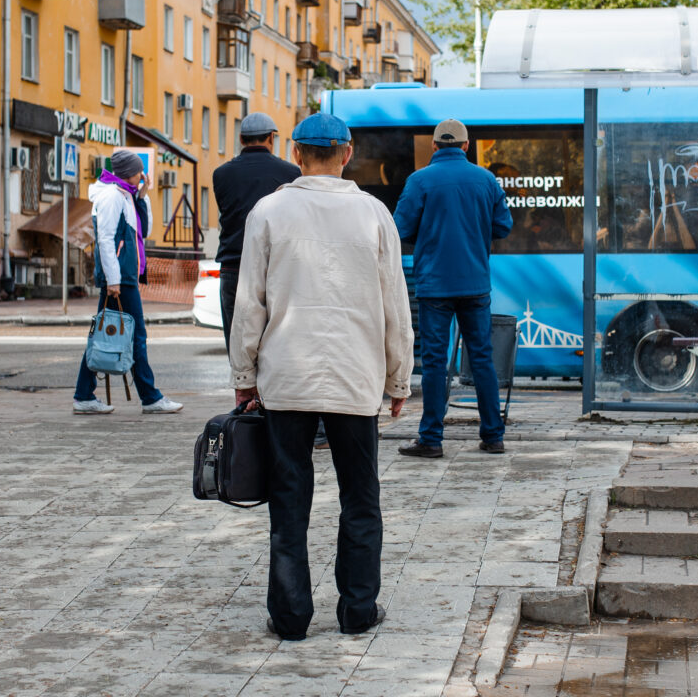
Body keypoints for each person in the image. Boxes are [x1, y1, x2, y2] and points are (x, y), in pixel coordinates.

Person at [229, 113, 413, 641]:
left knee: (289, 498)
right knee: (361, 496)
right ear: (347, 153)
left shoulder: (269, 212)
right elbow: (394, 304)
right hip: (356, 379)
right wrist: (398, 378)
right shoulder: (375, 213)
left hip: (287, 376)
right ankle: (358, 610)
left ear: (296, 151)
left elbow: (251, 303)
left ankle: (290, 617)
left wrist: (245, 375)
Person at [394, 118, 513, 458]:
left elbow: (399, 229)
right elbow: (503, 226)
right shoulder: (486, 180)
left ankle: (431, 439)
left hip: (434, 285)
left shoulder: (419, 180)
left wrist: (428, 233)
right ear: (465, 146)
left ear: (434, 146)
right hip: (475, 283)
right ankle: (493, 436)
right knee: (482, 358)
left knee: (434, 361)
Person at [214, 113, 331, 449]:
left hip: (234, 268)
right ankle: (312, 426)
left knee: (241, 346)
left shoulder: (221, 174)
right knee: (291, 344)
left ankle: (247, 422)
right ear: (271, 138)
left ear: (241, 140)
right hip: (283, 266)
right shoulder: (291, 174)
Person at [72, 150, 183, 416]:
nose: (141, 174)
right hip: (119, 278)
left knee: (105, 335)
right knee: (135, 336)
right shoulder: (111, 196)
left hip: (124, 276)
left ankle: (84, 395)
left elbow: (145, 230)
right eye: (137, 170)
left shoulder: (125, 195)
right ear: (125, 173)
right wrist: (113, 280)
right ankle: (150, 397)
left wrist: (142, 196)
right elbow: (105, 240)